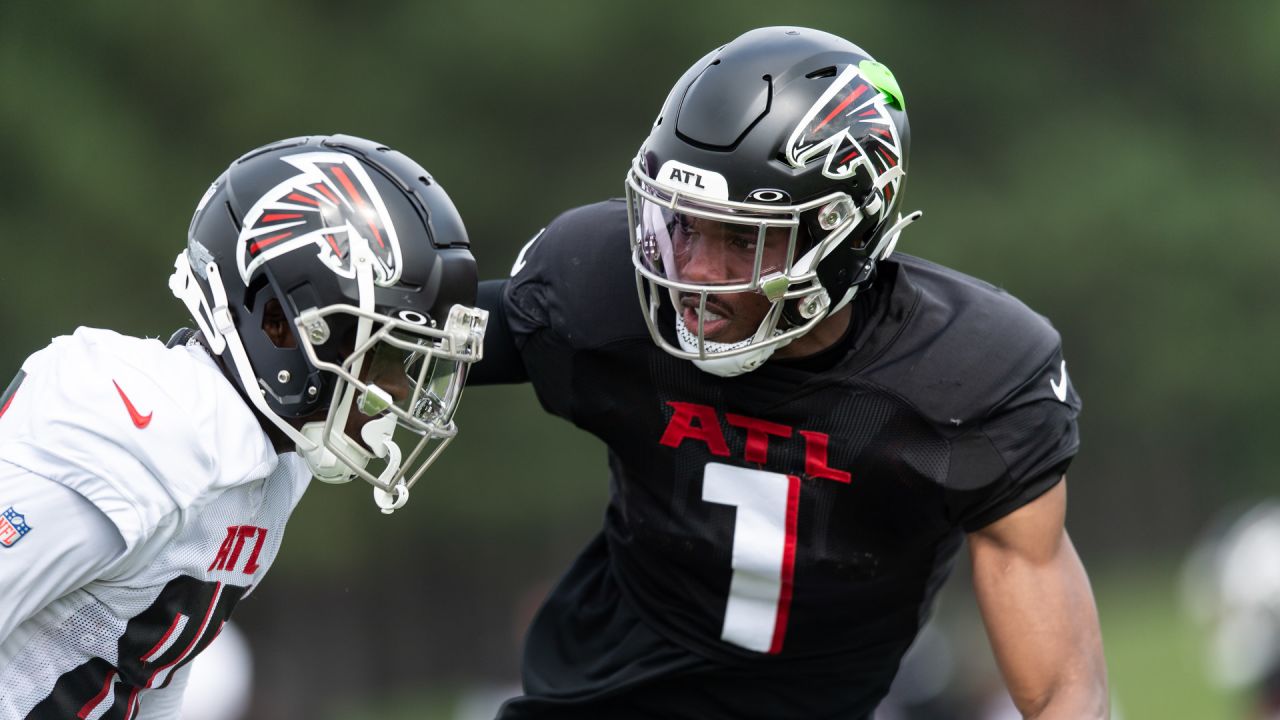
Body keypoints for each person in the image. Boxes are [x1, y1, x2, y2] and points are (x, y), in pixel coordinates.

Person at [469, 27, 1109, 719]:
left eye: (744, 238)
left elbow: (1060, 693)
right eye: (684, 226)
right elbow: (419, 342)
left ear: (843, 237)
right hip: (596, 699)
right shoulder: (600, 289)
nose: (696, 277)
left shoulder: (969, 377)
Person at [0, 134, 487, 718]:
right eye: (382, 354)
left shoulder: (269, 471)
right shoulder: (138, 427)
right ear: (277, 323)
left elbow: (147, 679)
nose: (400, 390)